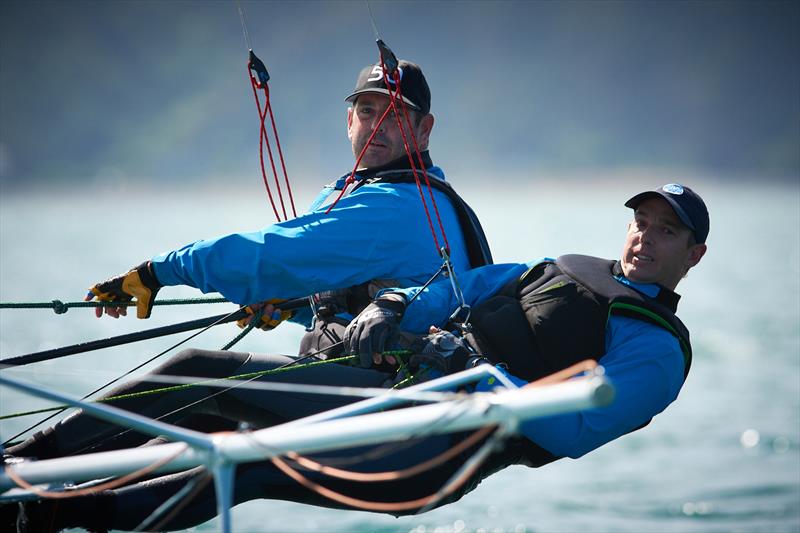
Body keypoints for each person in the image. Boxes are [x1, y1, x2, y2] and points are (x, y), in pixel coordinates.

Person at [3, 183, 708, 532]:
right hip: (393, 400)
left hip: (432, 446)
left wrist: (473, 372)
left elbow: (576, 427)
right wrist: (396, 305)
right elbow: (461, 286)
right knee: (230, 459)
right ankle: (38, 513)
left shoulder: (655, 348)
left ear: (692, 253)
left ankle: (23, 463)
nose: (644, 236)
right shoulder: (563, 264)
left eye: (665, 230)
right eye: (641, 221)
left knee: (202, 375)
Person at [85, 58, 492, 359]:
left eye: (395, 114)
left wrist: (159, 271)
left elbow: (268, 255)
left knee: (193, 369)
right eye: (368, 111)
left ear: (425, 130)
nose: (376, 125)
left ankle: (34, 463)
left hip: (390, 399)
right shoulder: (382, 191)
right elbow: (352, 302)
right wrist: (290, 310)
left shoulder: (396, 205)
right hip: (367, 385)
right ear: (349, 120)